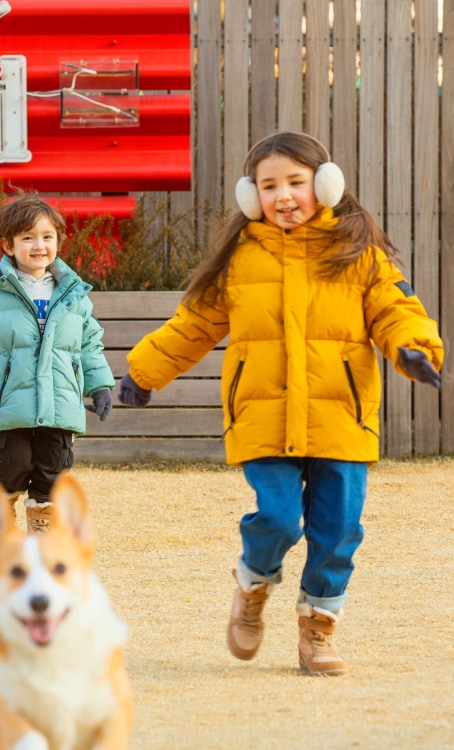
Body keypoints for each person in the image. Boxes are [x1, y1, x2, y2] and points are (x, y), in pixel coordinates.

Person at [118, 131, 444, 675]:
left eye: (296, 182)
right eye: (269, 186)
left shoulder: (359, 252)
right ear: (252, 196)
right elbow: (195, 324)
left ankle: (318, 628)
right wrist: (144, 372)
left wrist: (413, 348)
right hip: (263, 415)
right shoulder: (241, 259)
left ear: (325, 184)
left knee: (338, 530)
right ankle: (253, 584)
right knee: (277, 516)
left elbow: (394, 309)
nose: (283, 195)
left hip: (342, 415)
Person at [0, 190, 115, 534]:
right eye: (28, 238)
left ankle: (43, 530)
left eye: (47, 237)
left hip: (61, 399)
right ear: (8, 246)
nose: (39, 246)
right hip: (10, 401)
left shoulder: (73, 294)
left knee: (54, 467)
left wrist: (99, 386)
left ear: (58, 242)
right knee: (12, 463)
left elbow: (88, 344)